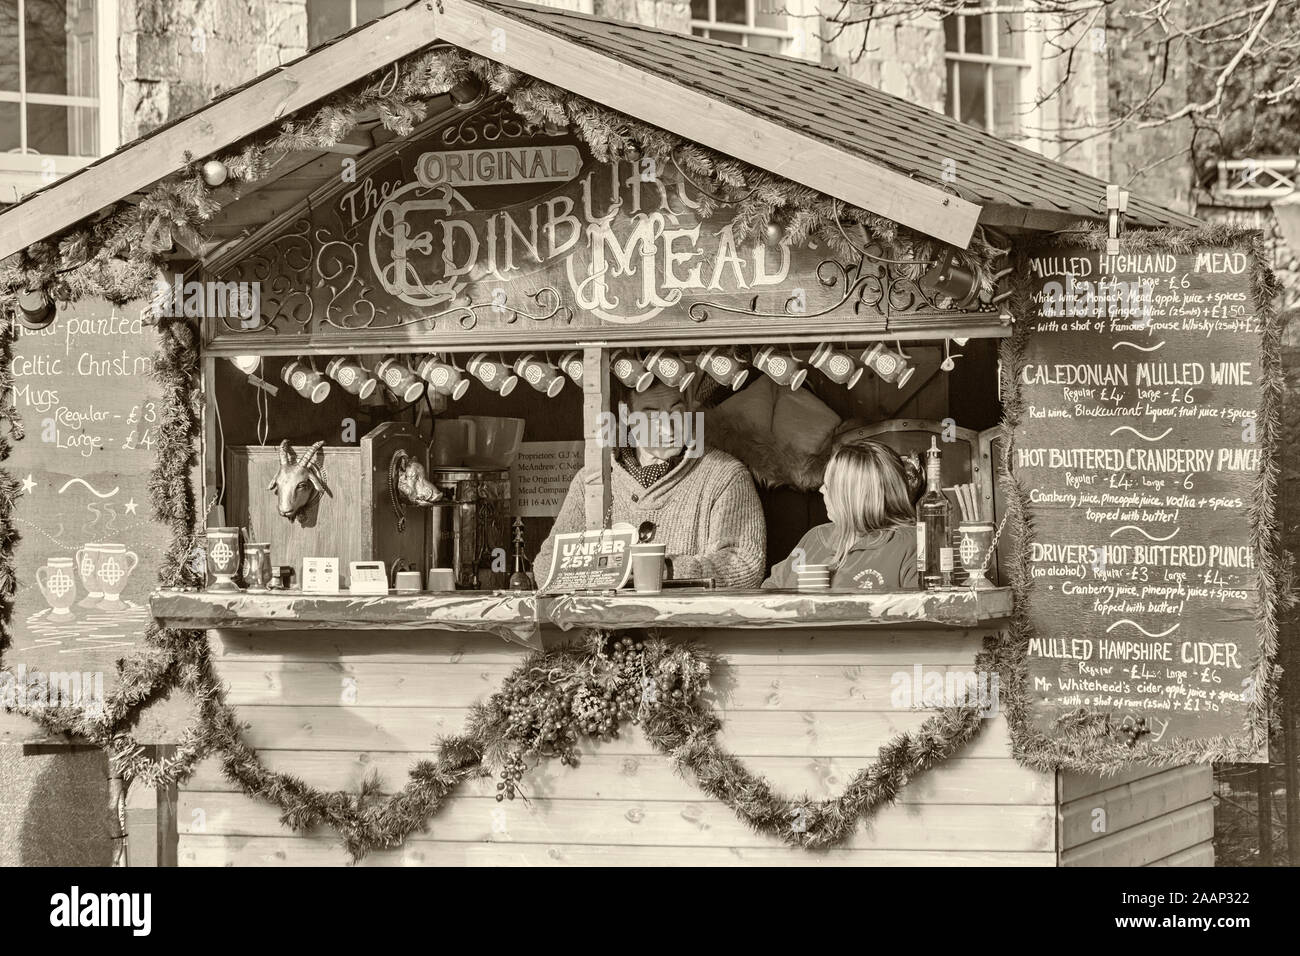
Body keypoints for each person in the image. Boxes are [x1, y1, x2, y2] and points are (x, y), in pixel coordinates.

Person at [535, 380, 766, 588]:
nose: (668, 428)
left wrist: (669, 569)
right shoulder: (592, 480)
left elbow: (747, 566)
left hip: (691, 631)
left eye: (676, 412)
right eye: (653, 417)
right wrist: (611, 567)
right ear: (625, 414)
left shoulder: (725, 476)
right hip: (604, 632)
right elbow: (545, 567)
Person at [762, 440, 918, 591]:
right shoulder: (815, 538)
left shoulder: (912, 545)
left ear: (852, 498)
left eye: (829, 486)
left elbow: (925, 611)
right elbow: (771, 590)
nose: (821, 490)